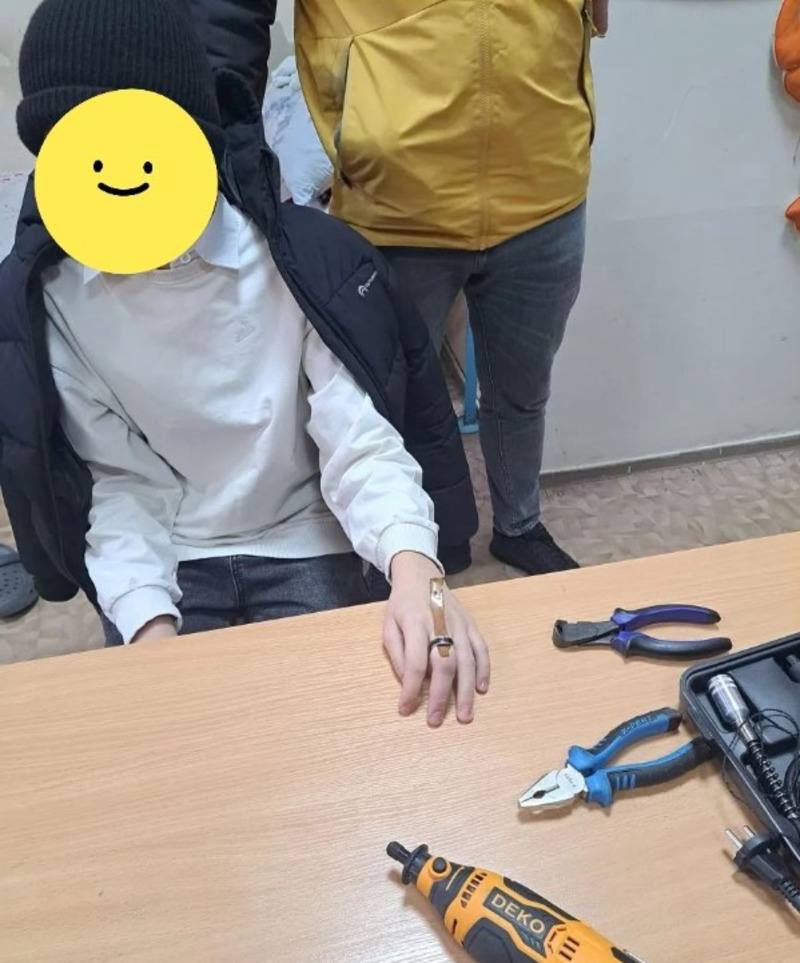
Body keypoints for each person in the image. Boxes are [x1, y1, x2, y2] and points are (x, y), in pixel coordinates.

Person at [0, 0, 489, 727]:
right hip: (171, 553)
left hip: (307, 536)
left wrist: (418, 567)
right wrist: (149, 627)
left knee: (379, 720)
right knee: (167, 745)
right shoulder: (55, 296)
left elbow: (359, 438)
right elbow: (119, 481)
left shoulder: (298, 262)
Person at [190, 0, 609, 576]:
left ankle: (519, 526)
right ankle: (413, 545)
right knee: (382, 405)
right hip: (394, 203)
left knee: (522, 390)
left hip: (546, 187)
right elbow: (226, 19)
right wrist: (223, 153)